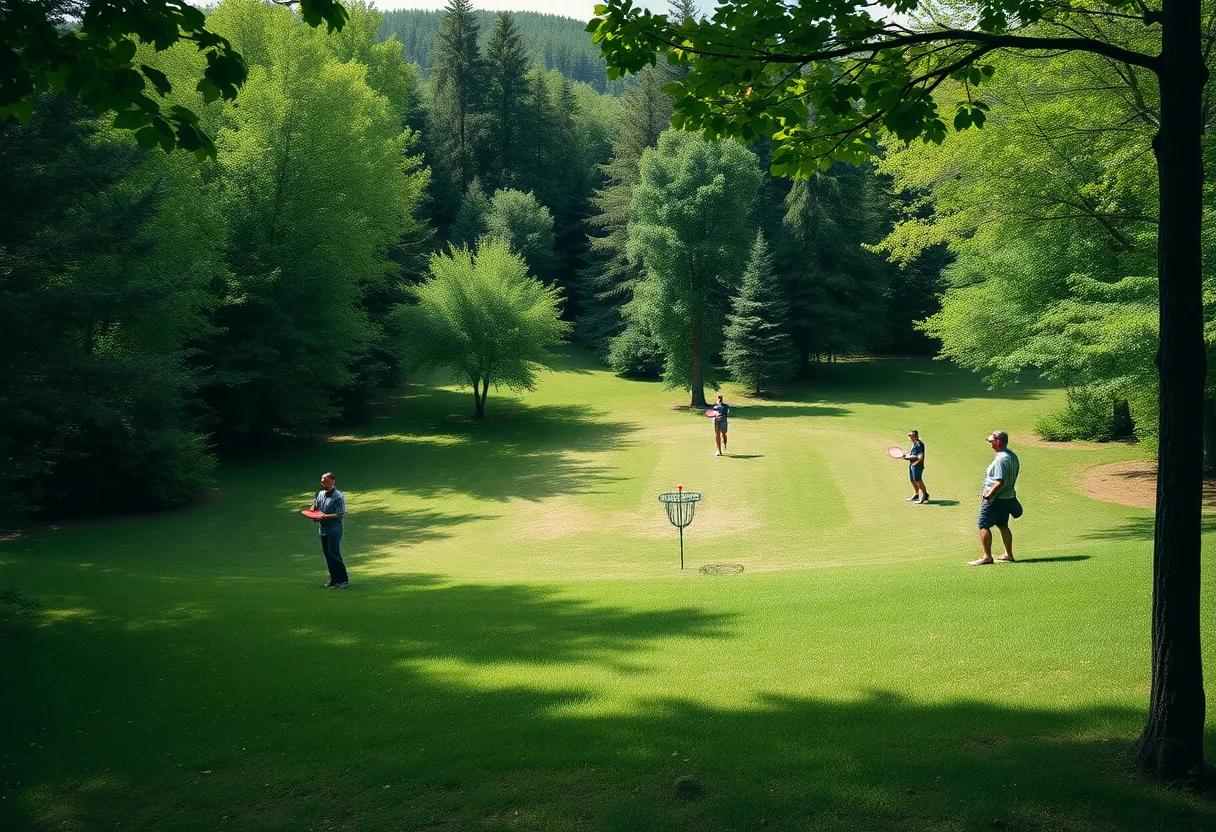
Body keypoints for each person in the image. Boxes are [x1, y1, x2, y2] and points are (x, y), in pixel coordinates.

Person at [969, 430, 1022, 566]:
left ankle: (987, 557)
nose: (990, 444)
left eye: (991, 441)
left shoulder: (1001, 459)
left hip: (996, 499)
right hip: (1008, 497)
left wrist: (988, 495)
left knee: (983, 525)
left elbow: (1000, 482)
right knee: (1002, 525)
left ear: (998, 441)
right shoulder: (1012, 456)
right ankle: (1008, 555)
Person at [311, 471, 349, 587]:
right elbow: (315, 507)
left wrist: (324, 516)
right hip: (323, 530)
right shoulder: (320, 494)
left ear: (332, 481)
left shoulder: (338, 495)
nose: (323, 483)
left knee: (334, 553)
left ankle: (343, 580)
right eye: (322, 481)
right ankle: (333, 578)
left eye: (325, 481)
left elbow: (340, 514)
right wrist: (313, 514)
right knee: (328, 555)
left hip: (334, 530)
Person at [903, 430, 929, 503]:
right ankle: (916, 495)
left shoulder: (919, 444)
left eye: (912, 436)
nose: (910, 438)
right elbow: (913, 455)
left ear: (916, 436)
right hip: (912, 465)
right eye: (910, 436)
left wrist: (916, 463)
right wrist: (906, 456)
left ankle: (924, 496)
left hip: (917, 466)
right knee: (913, 480)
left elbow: (921, 457)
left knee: (918, 480)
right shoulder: (914, 444)